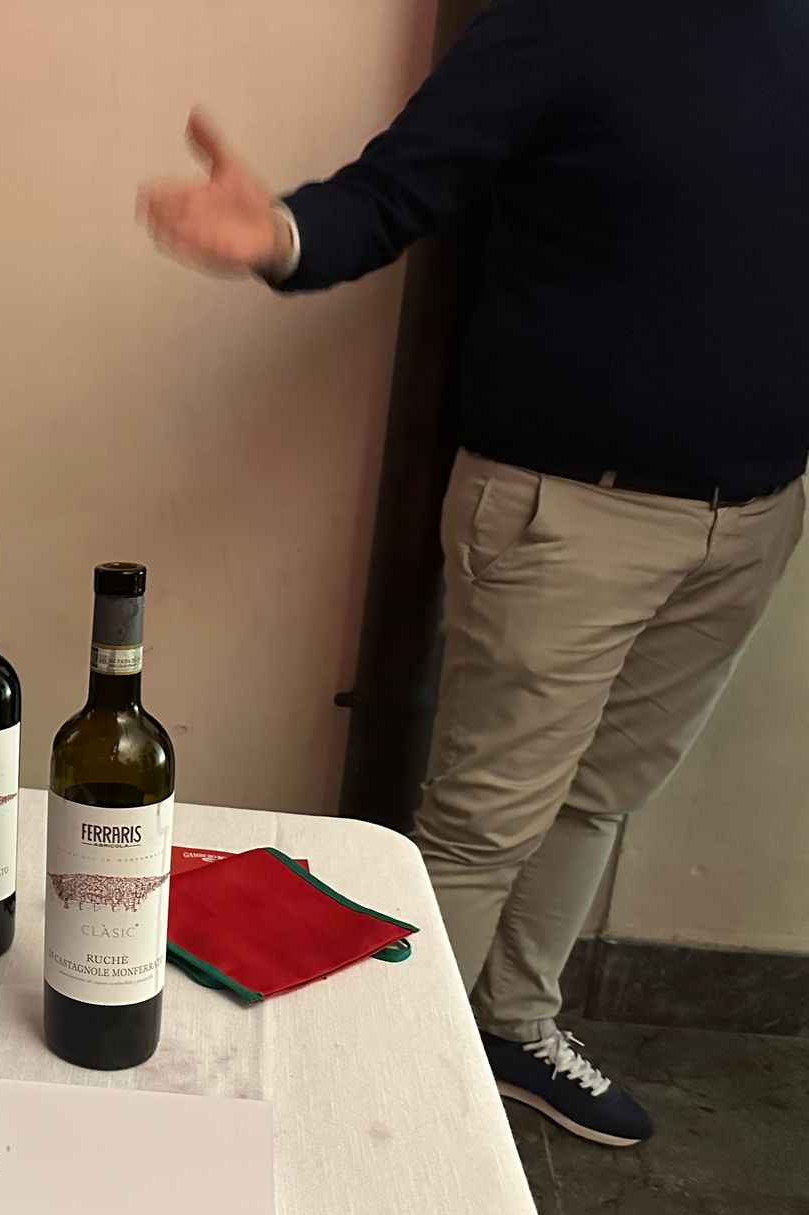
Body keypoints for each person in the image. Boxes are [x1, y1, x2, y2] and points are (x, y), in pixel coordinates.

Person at [137, 0, 807, 1146]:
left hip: (755, 516)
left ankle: (511, 1029)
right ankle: (386, 1102)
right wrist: (284, 234)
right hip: (569, 518)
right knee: (484, 828)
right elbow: (392, 193)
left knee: (602, 796)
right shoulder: (560, 22)